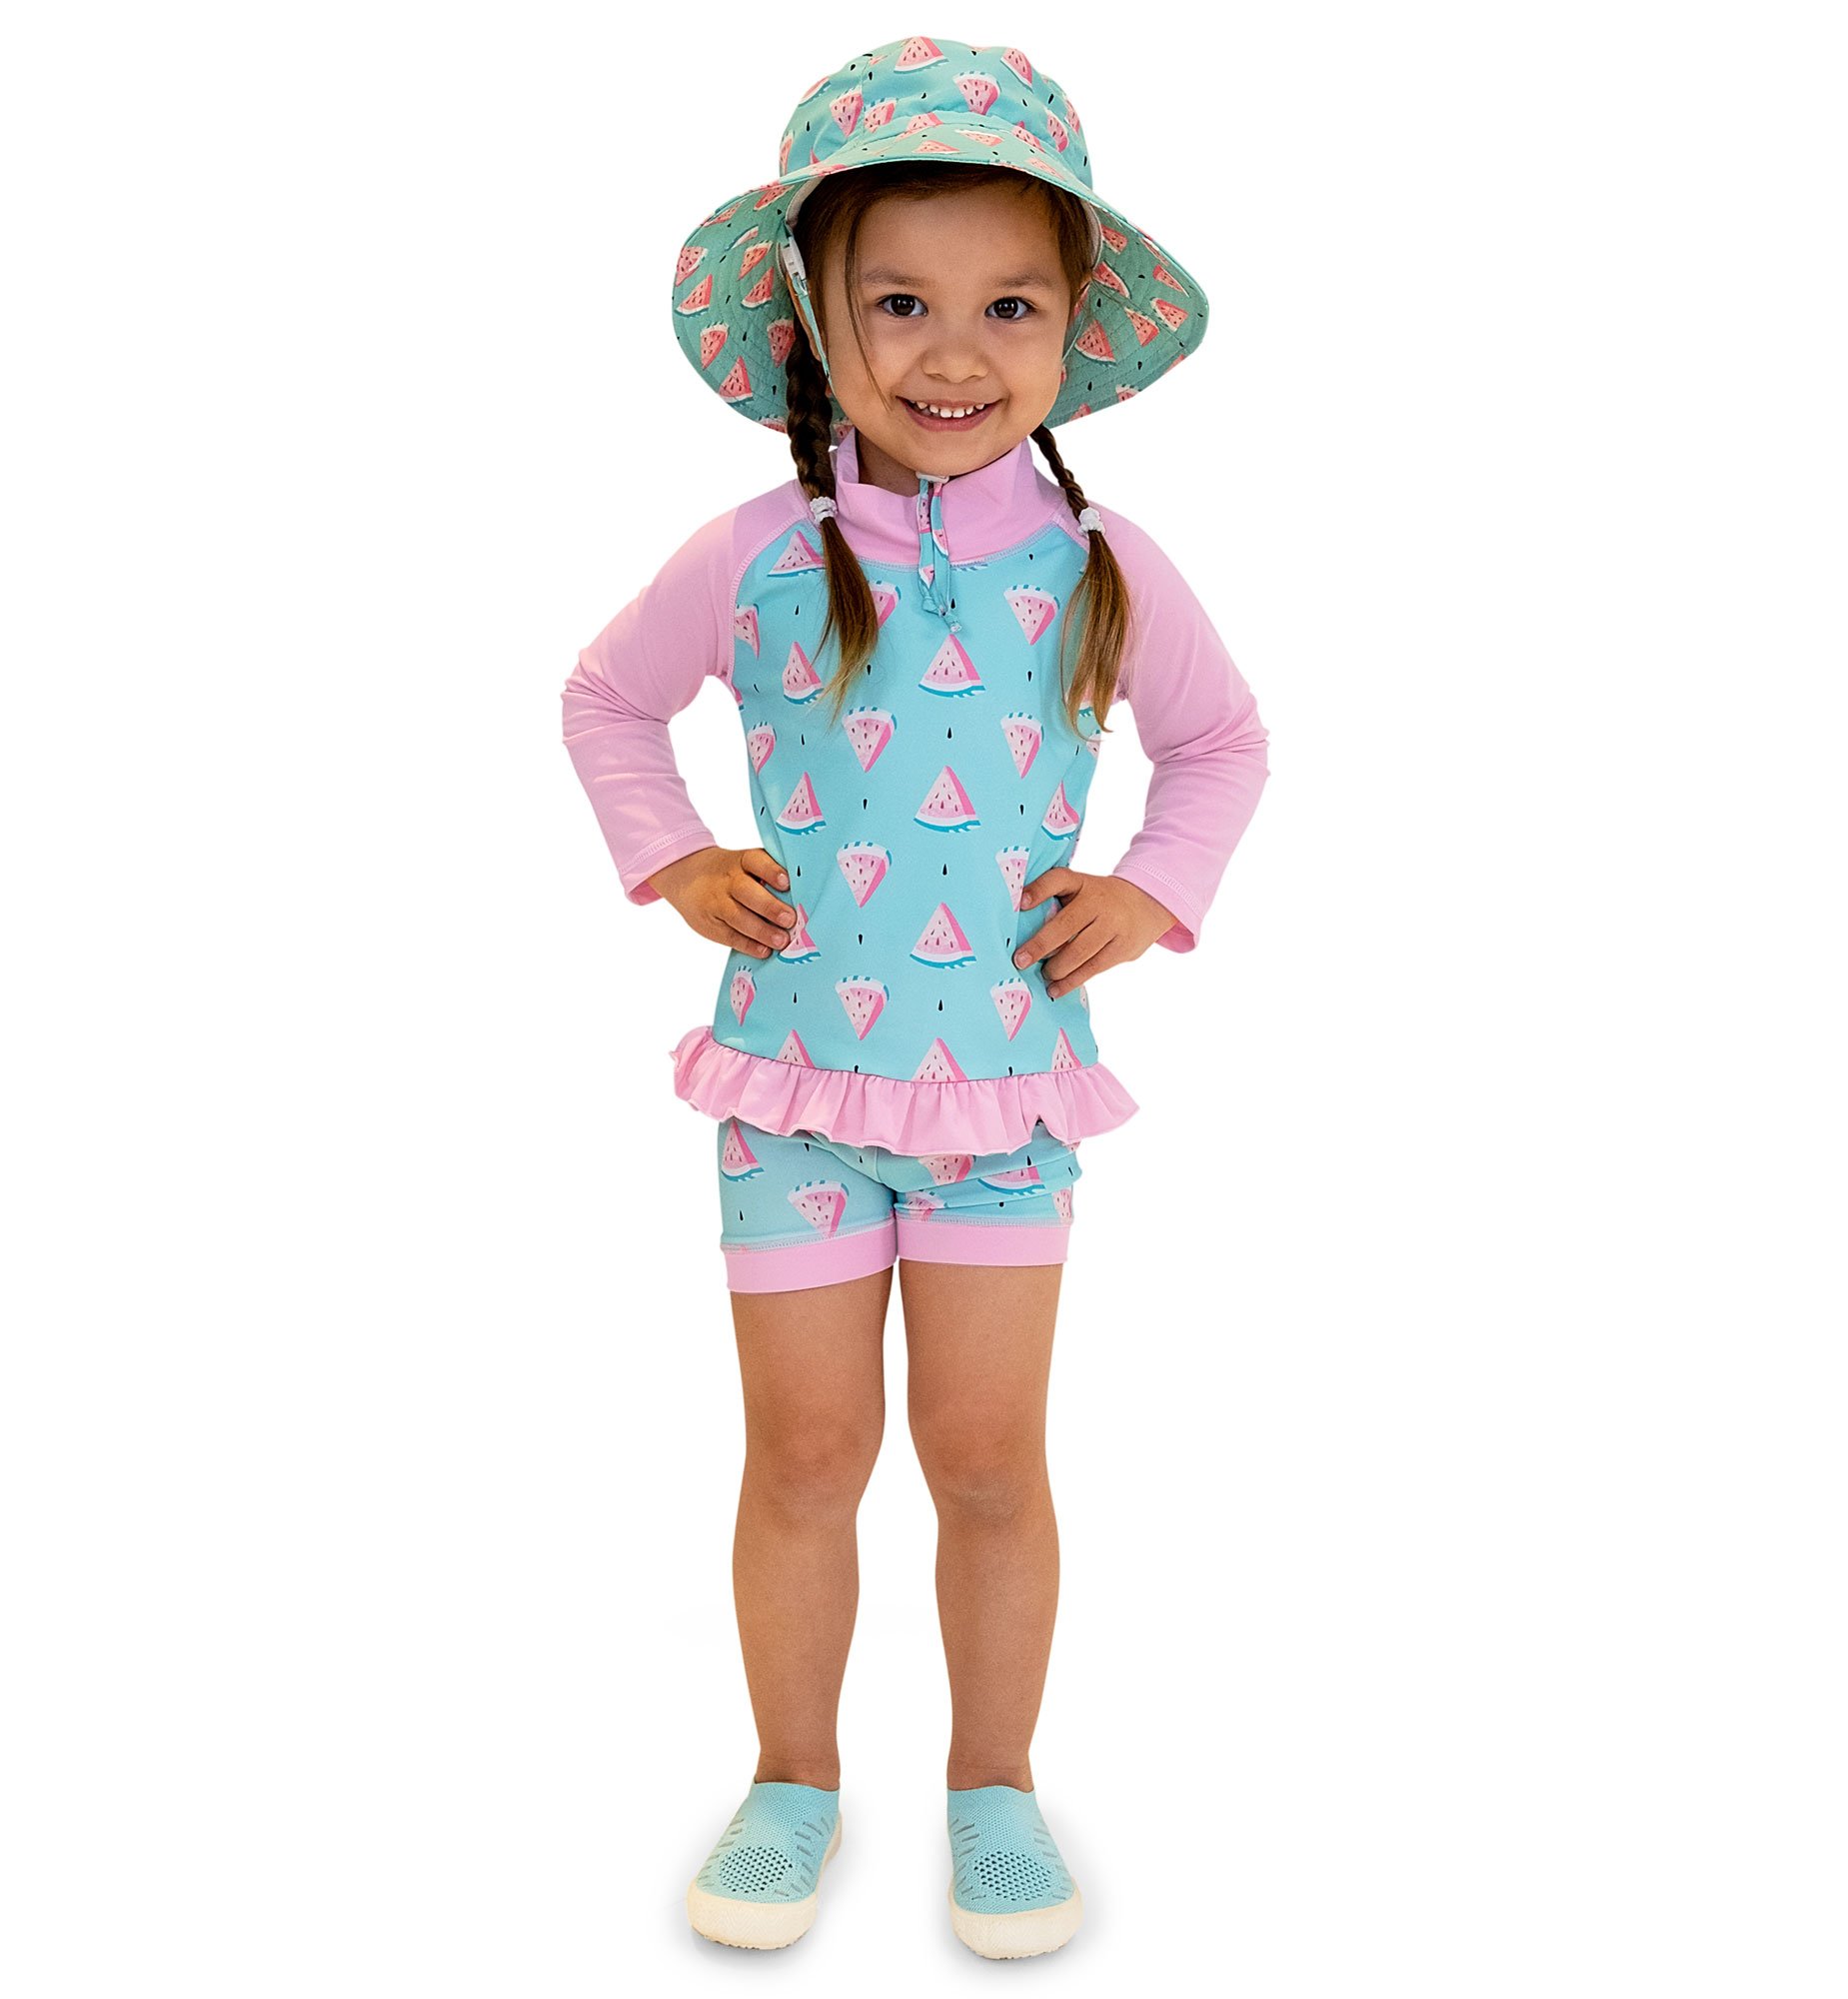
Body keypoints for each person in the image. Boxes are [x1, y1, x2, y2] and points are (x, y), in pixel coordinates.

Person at [561, 35, 1271, 1959]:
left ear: (1071, 328)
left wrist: (1151, 891)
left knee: (985, 1461)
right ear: (817, 320)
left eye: (1007, 306)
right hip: (789, 1087)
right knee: (804, 1459)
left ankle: (996, 1790)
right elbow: (607, 699)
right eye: (900, 303)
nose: (954, 352)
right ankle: (793, 1780)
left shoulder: (1104, 566)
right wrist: (673, 857)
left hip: (1007, 1094)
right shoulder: (757, 556)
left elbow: (1221, 745)